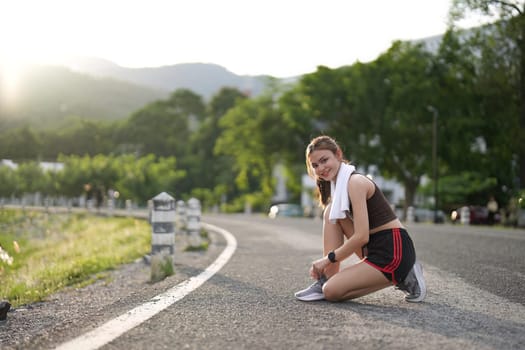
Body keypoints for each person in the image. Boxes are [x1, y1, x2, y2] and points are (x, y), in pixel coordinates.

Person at [295, 135, 426, 303]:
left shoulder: (355, 182)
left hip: (393, 251)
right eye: (315, 165)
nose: (321, 168)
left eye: (324, 160)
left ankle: (406, 274)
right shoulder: (339, 188)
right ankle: (326, 279)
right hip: (373, 247)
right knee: (331, 213)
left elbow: (361, 236)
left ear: (338, 154)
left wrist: (327, 259)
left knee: (332, 292)